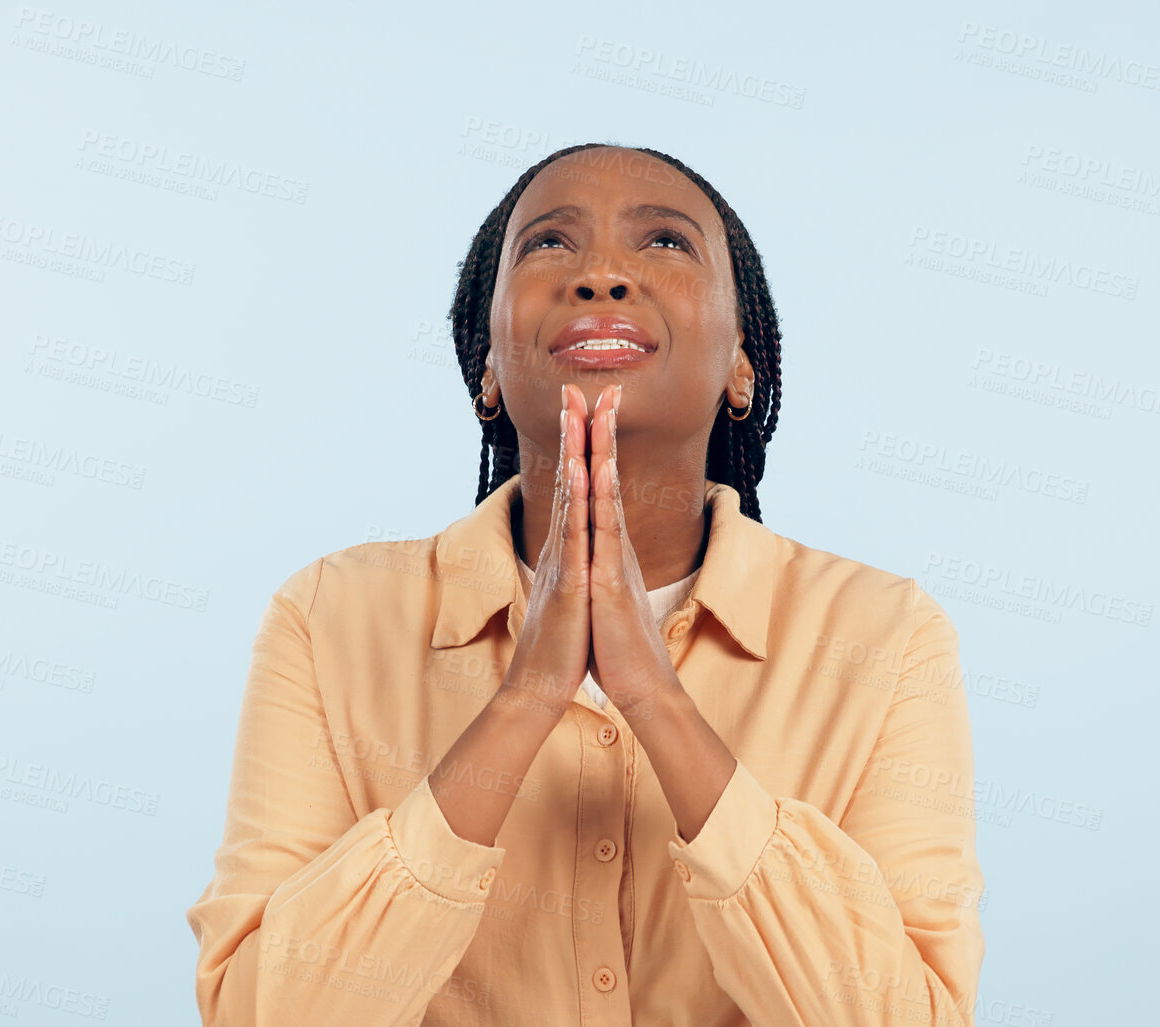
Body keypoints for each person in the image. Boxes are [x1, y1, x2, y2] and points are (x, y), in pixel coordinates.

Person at [184, 143, 984, 1026]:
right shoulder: (330, 617)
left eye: (666, 244)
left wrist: (655, 697)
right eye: (549, 245)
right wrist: (525, 697)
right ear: (484, 365)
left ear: (740, 368)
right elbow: (261, 1013)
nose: (601, 274)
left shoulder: (884, 633)